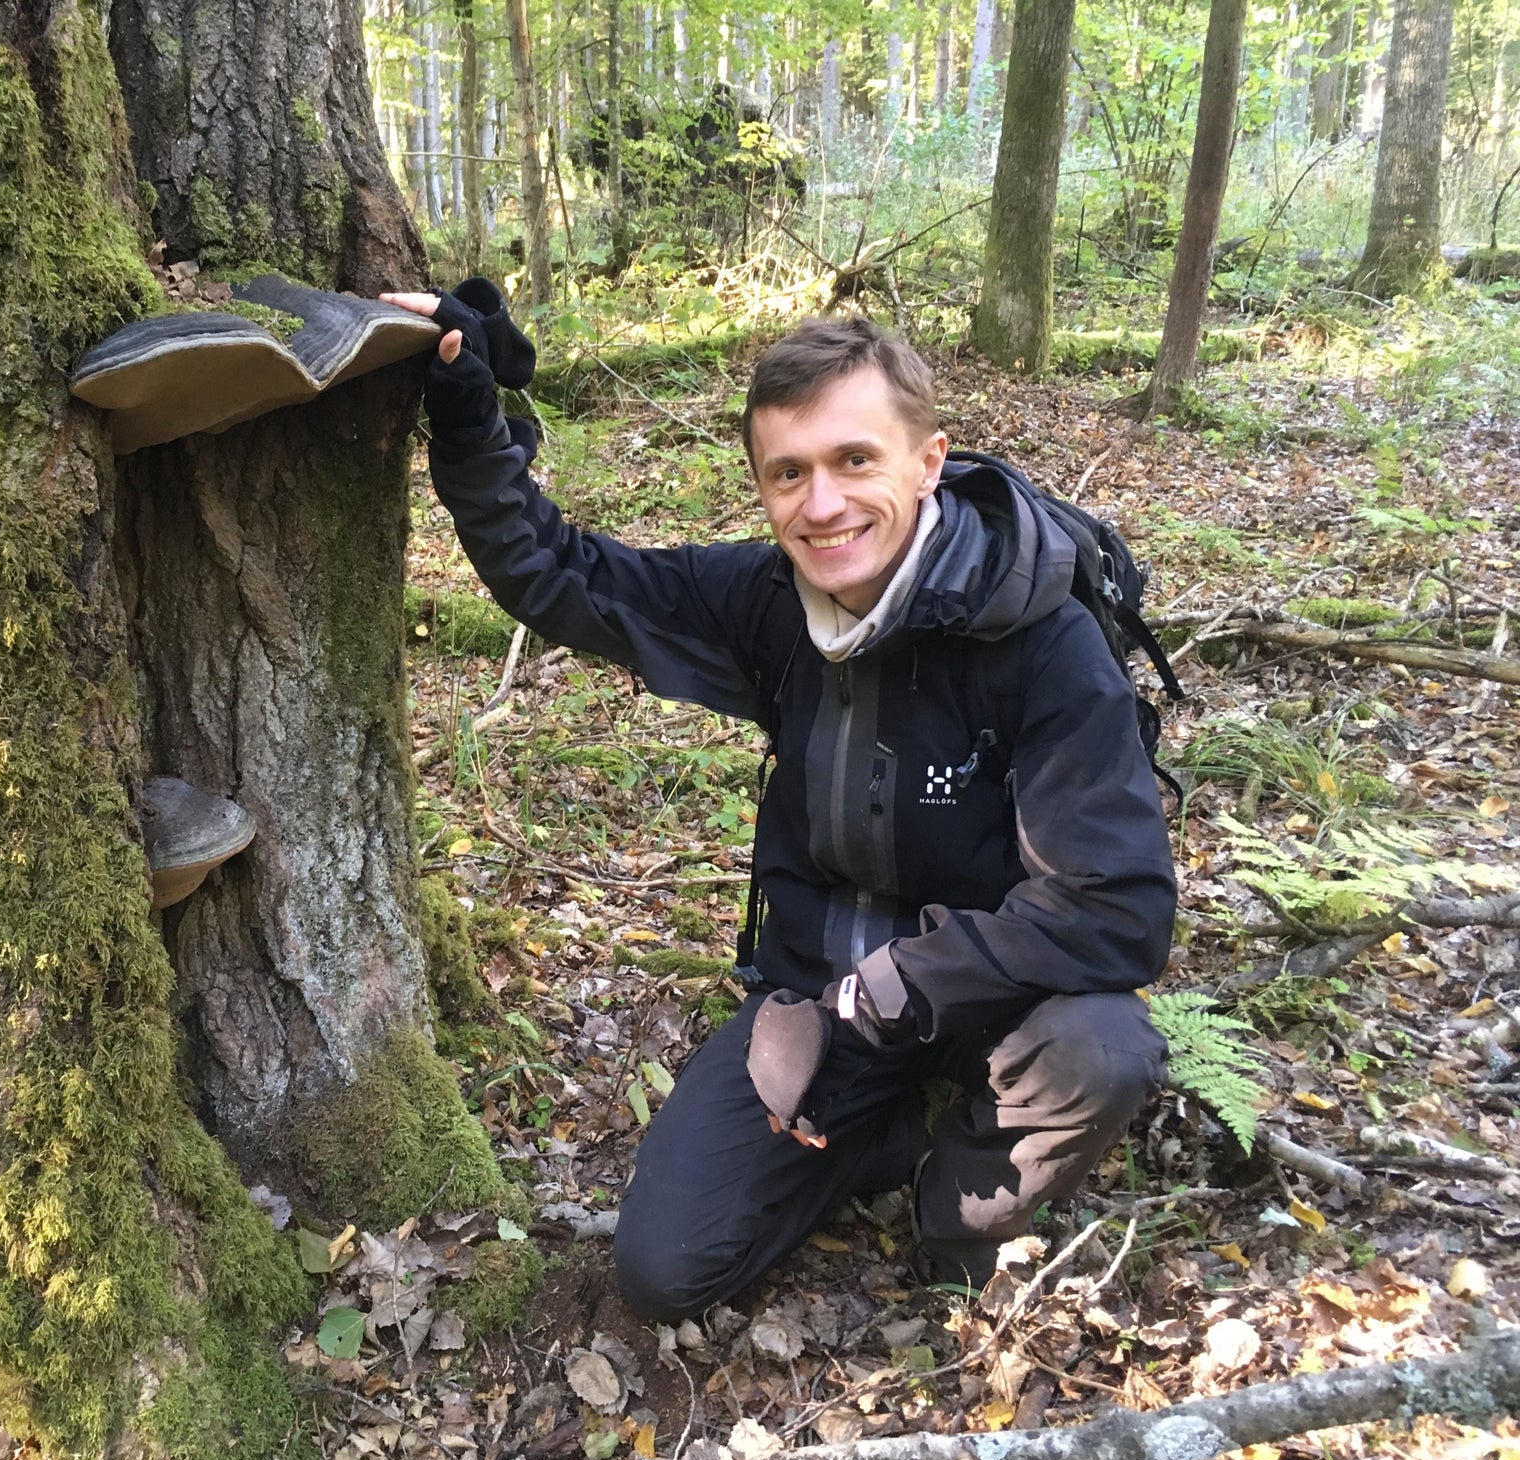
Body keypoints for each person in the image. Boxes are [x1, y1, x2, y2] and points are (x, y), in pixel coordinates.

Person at [381, 282, 1176, 1320]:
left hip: (988, 1006)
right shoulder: (766, 604)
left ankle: (954, 1219)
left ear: (926, 464)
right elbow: (558, 575)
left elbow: (1114, 906)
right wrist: (467, 406)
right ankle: (881, 1130)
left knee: (1102, 1049)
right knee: (664, 1270)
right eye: (787, 474)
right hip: (820, 1004)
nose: (822, 504)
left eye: (854, 461)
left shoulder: (1036, 637)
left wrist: (886, 994)